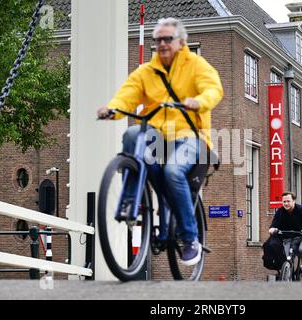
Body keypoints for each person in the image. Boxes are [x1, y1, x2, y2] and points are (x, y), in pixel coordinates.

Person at [97, 17, 223, 266]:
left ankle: (189, 238)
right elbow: (127, 96)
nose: (162, 44)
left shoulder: (196, 66)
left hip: (191, 137)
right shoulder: (145, 72)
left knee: (173, 171)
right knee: (133, 134)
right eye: (158, 40)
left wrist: (199, 101)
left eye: (167, 39)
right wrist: (113, 109)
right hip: (158, 137)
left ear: (181, 42)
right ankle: (131, 201)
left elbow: (213, 89)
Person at [269, 191, 302, 282]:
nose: (286, 203)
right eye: (284, 202)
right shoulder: (280, 211)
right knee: (285, 257)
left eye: (288, 201)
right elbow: (274, 224)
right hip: (288, 238)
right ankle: (287, 274)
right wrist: (272, 229)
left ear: (294, 201)